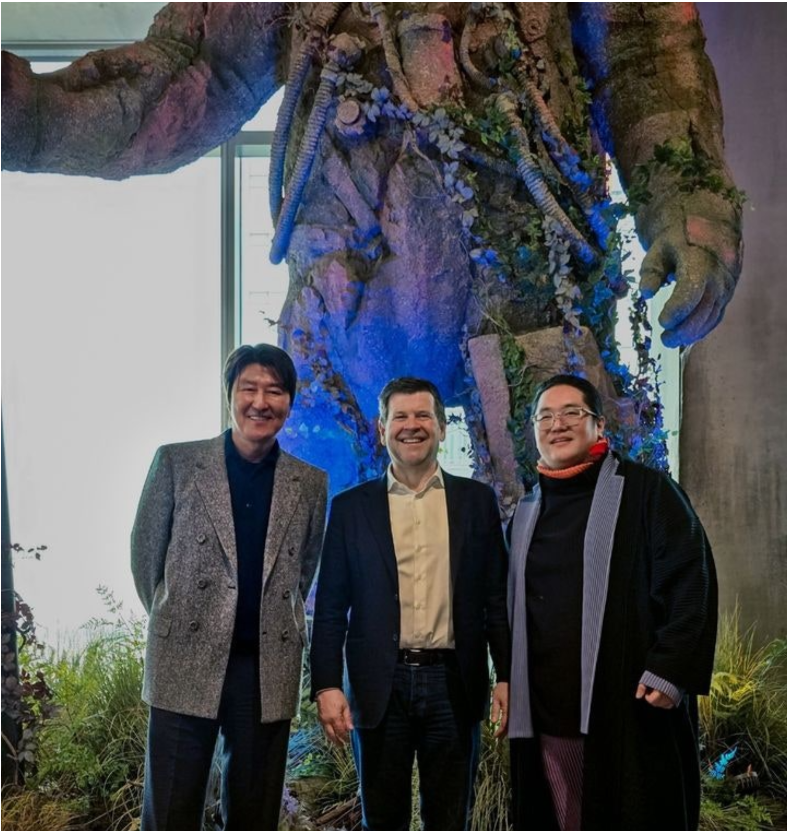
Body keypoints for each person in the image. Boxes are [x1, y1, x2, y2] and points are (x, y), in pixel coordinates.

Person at [1, 4, 742, 494]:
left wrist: (689, 201)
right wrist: (35, 118)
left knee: (561, 551)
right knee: (328, 566)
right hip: (344, 295)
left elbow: (642, 46)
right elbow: (197, 63)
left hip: (530, 276)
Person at [125, 343, 327, 831]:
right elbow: (146, 560)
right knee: (170, 827)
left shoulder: (308, 483)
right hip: (185, 666)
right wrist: (181, 622)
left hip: (263, 672)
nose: (260, 401)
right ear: (230, 393)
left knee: (252, 828)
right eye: (249, 387)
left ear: (289, 403)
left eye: (275, 390)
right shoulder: (178, 464)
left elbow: (301, 572)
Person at [507, 374, 717, 831]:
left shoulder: (647, 492)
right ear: (534, 431)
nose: (558, 423)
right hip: (553, 710)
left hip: (634, 702)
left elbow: (692, 578)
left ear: (599, 425)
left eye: (572, 412)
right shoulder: (526, 511)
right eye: (546, 415)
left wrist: (671, 669)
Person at [310, 376, 510, 831]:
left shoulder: (476, 503)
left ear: (442, 428)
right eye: (400, 417)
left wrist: (506, 675)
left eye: (423, 415)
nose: (412, 426)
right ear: (382, 428)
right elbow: (330, 607)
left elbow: (496, 599)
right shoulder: (352, 508)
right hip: (380, 685)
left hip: (454, 682)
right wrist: (326, 684)